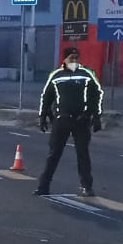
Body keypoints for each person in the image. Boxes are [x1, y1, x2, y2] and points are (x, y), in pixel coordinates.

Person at [34, 46, 103, 197]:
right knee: (53, 154)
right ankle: (43, 187)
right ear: (64, 59)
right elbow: (46, 97)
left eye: (77, 58)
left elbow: (96, 95)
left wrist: (96, 116)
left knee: (83, 155)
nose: (75, 60)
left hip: (81, 120)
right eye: (71, 58)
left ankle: (87, 187)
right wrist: (42, 116)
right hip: (61, 120)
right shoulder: (56, 75)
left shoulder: (87, 73)